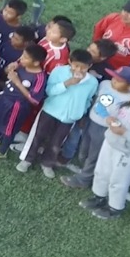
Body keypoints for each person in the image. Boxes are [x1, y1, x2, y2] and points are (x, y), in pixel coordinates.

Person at [17, 49, 98, 178]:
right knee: (38, 135)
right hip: (50, 110)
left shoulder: (92, 82)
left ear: (90, 66)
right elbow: (49, 91)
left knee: (57, 141)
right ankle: (27, 159)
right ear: (70, 62)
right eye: (76, 66)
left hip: (69, 117)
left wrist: (81, 112)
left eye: (84, 68)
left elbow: (88, 99)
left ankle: (47, 163)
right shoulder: (59, 72)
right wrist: (67, 83)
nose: (79, 70)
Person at [79, 81, 130, 220]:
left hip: (127, 154)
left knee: (118, 181)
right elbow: (112, 116)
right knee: (101, 172)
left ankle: (115, 207)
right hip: (110, 143)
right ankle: (99, 196)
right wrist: (109, 119)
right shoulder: (127, 107)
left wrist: (125, 133)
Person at [92, 0, 130, 70]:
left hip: (118, 72)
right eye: (124, 10)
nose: (124, 15)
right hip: (98, 60)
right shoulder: (113, 18)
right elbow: (97, 33)